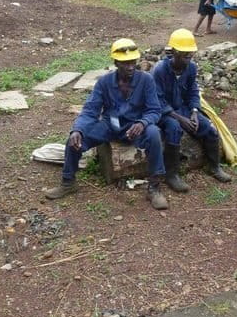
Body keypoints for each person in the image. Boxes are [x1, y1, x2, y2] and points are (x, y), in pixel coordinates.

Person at [45, 39, 168, 210]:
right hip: (110, 125)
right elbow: (90, 110)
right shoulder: (104, 82)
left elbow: (154, 110)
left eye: (133, 62)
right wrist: (78, 129)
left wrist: (143, 122)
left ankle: (154, 187)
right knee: (74, 139)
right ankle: (68, 182)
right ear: (116, 62)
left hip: (135, 127)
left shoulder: (146, 80)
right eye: (126, 63)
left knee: (154, 133)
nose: (131, 66)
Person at [152, 28, 232, 192]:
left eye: (191, 52)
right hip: (164, 112)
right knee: (174, 128)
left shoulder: (191, 68)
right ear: (173, 52)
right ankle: (172, 175)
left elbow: (193, 92)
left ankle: (214, 166)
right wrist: (180, 119)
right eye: (184, 52)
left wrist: (194, 111)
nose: (189, 56)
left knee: (208, 129)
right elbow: (157, 101)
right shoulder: (160, 70)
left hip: (183, 109)